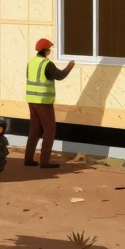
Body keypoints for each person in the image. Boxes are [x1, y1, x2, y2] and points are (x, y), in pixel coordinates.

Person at [25, 38, 75, 168]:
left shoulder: (31, 62)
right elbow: (60, 76)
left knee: (34, 130)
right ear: (46, 50)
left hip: (32, 100)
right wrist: (70, 66)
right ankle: (45, 161)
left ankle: (28, 159)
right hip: (43, 101)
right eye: (49, 49)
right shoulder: (47, 64)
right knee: (49, 130)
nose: (50, 51)